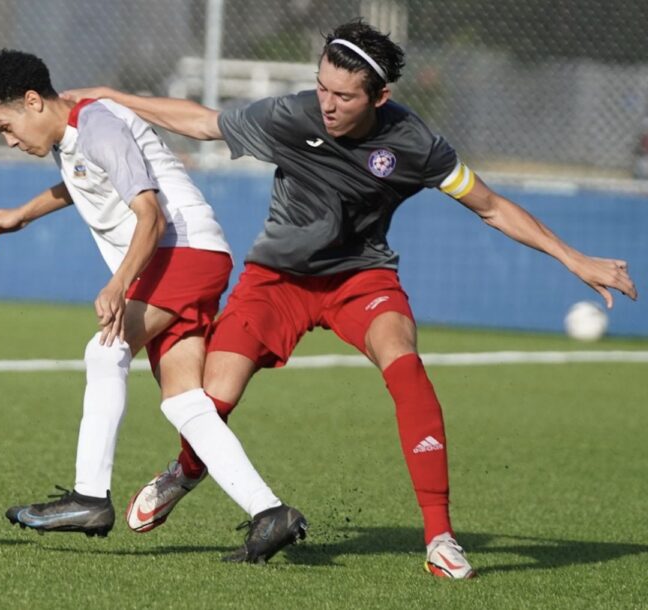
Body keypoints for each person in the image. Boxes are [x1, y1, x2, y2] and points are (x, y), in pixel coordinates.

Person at [63, 19, 638, 579]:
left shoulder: (416, 144)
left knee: (405, 365)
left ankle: (439, 535)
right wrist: (116, 96)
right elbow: (206, 123)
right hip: (276, 281)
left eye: (343, 95)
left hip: (360, 280)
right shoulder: (294, 114)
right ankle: (185, 472)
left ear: (380, 96)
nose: (328, 104)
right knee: (211, 403)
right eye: (322, 88)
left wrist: (573, 258)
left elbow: (491, 206)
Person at [0, 49, 308, 563]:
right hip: (188, 258)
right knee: (183, 402)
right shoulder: (73, 133)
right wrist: (21, 215)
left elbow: (151, 216)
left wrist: (119, 283)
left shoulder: (98, 126)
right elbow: (80, 182)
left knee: (105, 349)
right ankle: (270, 512)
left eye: (5, 127)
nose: (10, 141)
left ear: (33, 102)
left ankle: (89, 497)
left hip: (183, 253)